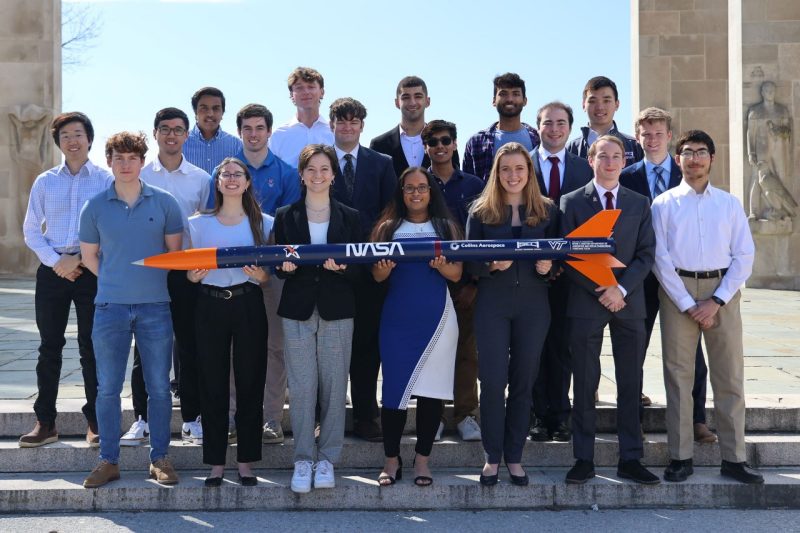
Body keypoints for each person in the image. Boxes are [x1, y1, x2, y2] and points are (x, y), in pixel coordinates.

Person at [652, 130, 762, 485]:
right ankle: (680, 456)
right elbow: (659, 258)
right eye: (687, 152)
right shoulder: (664, 204)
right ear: (678, 158)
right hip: (676, 291)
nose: (694, 158)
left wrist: (715, 300)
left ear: (712, 158)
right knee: (679, 377)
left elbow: (744, 256)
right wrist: (687, 302)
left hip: (723, 292)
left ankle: (734, 458)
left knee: (729, 376)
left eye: (701, 152)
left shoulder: (729, 204)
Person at [79, 131, 183, 488]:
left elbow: (173, 255)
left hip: (155, 306)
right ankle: (108, 460)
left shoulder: (165, 202)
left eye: (132, 158)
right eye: (118, 158)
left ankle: (160, 458)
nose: (125, 164)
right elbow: (90, 258)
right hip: (109, 306)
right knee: (107, 387)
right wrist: (116, 278)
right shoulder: (94, 206)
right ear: (109, 162)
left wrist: (141, 282)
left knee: (157, 387)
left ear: (142, 161)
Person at [560, 135, 658, 486]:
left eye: (617, 156)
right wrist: (600, 289)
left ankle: (630, 458)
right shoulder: (571, 202)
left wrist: (620, 288)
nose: (611, 162)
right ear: (591, 160)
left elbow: (646, 254)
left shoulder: (639, 202)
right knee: (584, 383)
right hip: (586, 302)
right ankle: (583, 458)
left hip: (629, 302)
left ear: (624, 160)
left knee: (630, 383)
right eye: (603, 156)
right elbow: (567, 254)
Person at [466, 142, 557, 486]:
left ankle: (515, 457)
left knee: (523, 383)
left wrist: (549, 267)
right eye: (506, 169)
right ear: (496, 173)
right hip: (493, 305)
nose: (513, 175)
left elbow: (559, 259)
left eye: (519, 169)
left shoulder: (547, 211)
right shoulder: (480, 211)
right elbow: (468, 261)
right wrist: (490, 265)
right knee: (491, 383)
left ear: (529, 172)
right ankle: (492, 457)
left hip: (534, 307)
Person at [620, 107, 713, 441]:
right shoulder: (626, 176)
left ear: (669, 137)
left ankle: (697, 418)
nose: (653, 139)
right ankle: (634, 419)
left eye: (659, 133)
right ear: (638, 138)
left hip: (682, 277)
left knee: (692, 352)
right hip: (640, 277)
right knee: (634, 349)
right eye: (646, 134)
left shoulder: (685, 172)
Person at [20, 112, 113, 448]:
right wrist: (57, 261)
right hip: (53, 271)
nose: (72, 141)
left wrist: (83, 260)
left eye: (78, 134)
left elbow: (111, 227)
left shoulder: (104, 179)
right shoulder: (46, 181)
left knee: (92, 347)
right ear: (58, 142)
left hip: (92, 271)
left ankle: (96, 420)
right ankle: (45, 421)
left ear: (89, 138)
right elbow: (31, 229)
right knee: (49, 347)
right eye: (65, 136)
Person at [273, 144, 361, 493]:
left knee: (335, 385)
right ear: (302, 174)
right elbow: (279, 266)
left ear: (334, 175)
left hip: (338, 309)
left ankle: (328, 459)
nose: (318, 175)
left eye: (325, 169)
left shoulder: (350, 216)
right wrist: (285, 267)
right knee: (302, 386)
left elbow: (360, 269)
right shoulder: (285, 215)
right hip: (297, 309)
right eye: (312, 169)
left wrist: (343, 269)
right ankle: (303, 458)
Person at [211, 103, 300, 446]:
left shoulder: (287, 173)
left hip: (272, 271)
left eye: (259, 128)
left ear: (268, 131)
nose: (253, 134)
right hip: (233, 273)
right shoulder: (225, 171)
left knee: (274, 346)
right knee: (235, 347)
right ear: (240, 132)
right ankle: (233, 415)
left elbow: (289, 223)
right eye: (246, 128)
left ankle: (272, 418)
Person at [122, 107, 211, 448]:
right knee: (144, 350)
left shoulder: (201, 179)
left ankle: (191, 418)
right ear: (155, 133)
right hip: (146, 273)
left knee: (190, 346)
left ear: (187, 135)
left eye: (177, 129)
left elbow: (205, 227)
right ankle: (142, 419)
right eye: (165, 129)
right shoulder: (140, 176)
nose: (171, 135)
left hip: (186, 274)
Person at [372, 167, 463, 487]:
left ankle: (422, 460)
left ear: (430, 191)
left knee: (431, 394)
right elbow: (377, 277)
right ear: (401, 191)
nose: (415, 193)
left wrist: (443, 266)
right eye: (409, 188)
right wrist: (383, 270)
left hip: (438, 319)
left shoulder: (445, 226)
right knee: (394, 392)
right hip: (397, 320)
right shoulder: (387, 227)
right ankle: (391, 459)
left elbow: (457, 275)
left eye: (421, 187)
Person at [186, 157, 272, 487]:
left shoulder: (264, 223)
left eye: (238, 174)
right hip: (210, 306)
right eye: (226, 174)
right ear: (217, 182)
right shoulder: (197, 224)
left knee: (251, 382)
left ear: (248, 182)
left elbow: (268, 275)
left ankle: (247, 461)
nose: (232, 179)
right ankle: (216, 462)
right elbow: (188, 273)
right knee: (212, 382)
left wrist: (262, 275)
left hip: (248, 304)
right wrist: (193, 278)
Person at [328, 97, 397, 442]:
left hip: (371, 269)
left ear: (362, 127)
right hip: (331, 268)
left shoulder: (381, 163)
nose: (348, 127)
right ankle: (326, 417)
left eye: (354, 122)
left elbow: (390, 213)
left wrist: (374, 252)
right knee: (330, 347)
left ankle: (367, 416)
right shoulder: (319, 162)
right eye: (342, 122)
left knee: (368, 347)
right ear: (332, 126)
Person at [528, 102, 593, 443]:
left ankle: (562, 414)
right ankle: (539, 415)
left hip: (572, 271)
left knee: (564, 344)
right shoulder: (520, 164)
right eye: (547, 123)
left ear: (570, 127)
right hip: (531, 269)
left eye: (561, 123)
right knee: (534, 344)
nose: (554, 129)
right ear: (537, 127)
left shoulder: (585, 168)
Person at [421, 120, 484, 442]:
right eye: (433, 142)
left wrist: (473, 282)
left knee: (466, 353)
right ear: (426, 147)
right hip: (426, 281)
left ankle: (465, 415)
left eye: (446, 140)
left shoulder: (473, 185)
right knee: (429, 352)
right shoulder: (418, 183)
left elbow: (481, 233)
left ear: (455, 144)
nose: (440, 146)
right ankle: (431, 417)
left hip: (465, 284)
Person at [370, 76, 460, 176]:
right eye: (406, 97)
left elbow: (455, 180)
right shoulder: (379, 145)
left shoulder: (445, 143)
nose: (412, 102)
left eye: (418, 96)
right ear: (397, 103)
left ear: (427, 101)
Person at [462, 73, 540, 181]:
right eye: (503, 94)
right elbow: (469, 186)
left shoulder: (538, 139)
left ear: (525, 101)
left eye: (516, 94)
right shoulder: (476, 142)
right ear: (494, 100)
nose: (510, 99)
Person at [566, 76, 643, 168]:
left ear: (617, 104)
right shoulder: (571, 149)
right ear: (583, 105)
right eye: (593, 101)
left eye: (606, 101)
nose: (600, 107)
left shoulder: (635, 147)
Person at [269, 67, 334, 168]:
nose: (306, 92)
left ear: (322, 92)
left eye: (311, 87)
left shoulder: (334, 133)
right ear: (291, 95)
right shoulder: (278, 136)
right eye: (299, 88)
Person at [183, 87, 242, 174]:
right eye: (204, 108)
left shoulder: (236, 145)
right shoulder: (181, 143)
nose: (210, 114)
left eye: (216, 108)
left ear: (222, 113)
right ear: (195, 112)